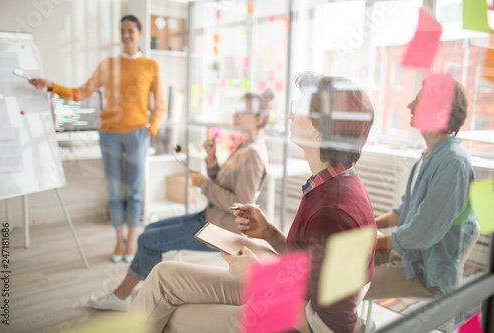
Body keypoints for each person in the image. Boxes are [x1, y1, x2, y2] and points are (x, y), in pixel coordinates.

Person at [130, 73, 377, 333]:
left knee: (171, 315)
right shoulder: (329, 183)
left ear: (319, 126)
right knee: (163, 275)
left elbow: (328, 327)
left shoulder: (333, 212)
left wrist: (259, 277)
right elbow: (309, 260)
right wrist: (269, 232)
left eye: (297, 109)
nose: (290, 116)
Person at [87, 90, 274, 311]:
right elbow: (226, 186)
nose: (236, 115)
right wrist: (212, 160)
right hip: (209, 216)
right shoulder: (245, 146)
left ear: (259, 118)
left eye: (243, 111)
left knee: (147, 241)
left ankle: (147, 302)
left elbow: (240, 204)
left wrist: (204, 184)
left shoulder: (252, 152)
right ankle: (126, 296)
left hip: (220, 229)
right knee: (149, 230)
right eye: (236, 109)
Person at [29, 15, 167, 263]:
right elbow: (81, 93)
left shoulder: (150, 65)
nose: (126, 35)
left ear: (140, 33)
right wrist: (52, 85)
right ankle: (118, 239)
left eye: (130, 31)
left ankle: (132, 238)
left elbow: (160, 105)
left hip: (138, 134)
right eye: (122, 31)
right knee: (114, 192)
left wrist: (151, 129)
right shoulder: (108, 65)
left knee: (135, 192)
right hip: (109, 135)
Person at [363, 79, 477, 301]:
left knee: (341, 290)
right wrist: (368, 227)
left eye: (419, 101)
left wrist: (372, 242)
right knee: (340, 265)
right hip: (410, 256)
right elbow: (403, 211)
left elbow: (422, 234)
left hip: (426, 272)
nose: (410, 106)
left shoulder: (453, 162)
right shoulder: (431, 155)